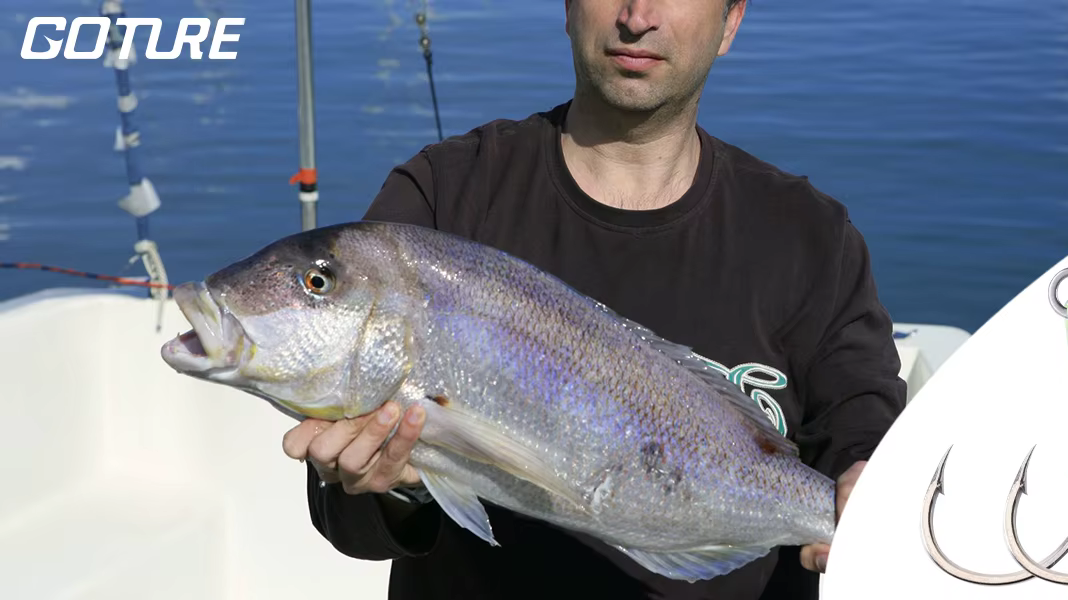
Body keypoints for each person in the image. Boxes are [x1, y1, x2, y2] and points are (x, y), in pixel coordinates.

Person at [279, 0, 907, 598]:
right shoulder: (445, 195)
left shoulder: (810, 236)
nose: (638, 17)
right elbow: (346, 521)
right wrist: (396, 487)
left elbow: (862, 427)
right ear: (567, 7)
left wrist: (866, 479)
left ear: (730, 20)